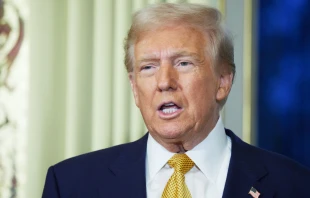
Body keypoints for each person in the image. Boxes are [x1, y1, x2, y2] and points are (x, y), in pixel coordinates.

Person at [42, 3, 310, 198]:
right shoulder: (70, 185)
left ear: (223, 81)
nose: (164, 82)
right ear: (135, 88)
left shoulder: (294, 186)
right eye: (148, 67)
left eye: (183, 63)